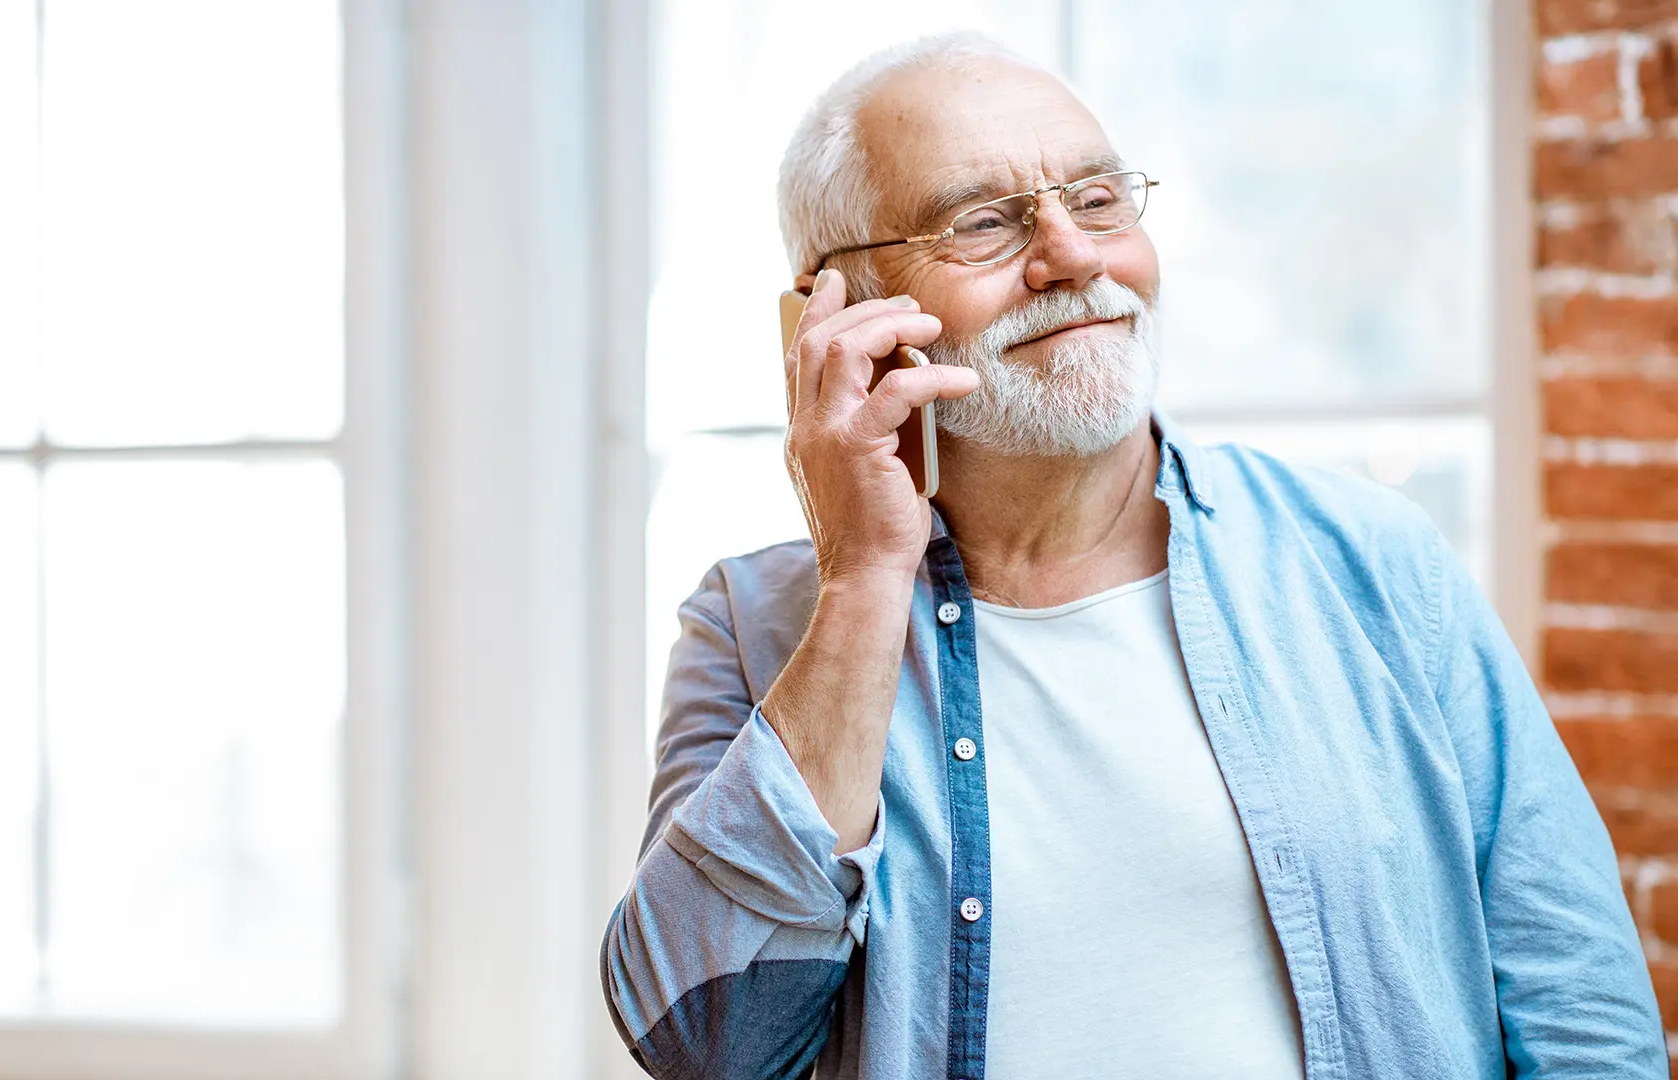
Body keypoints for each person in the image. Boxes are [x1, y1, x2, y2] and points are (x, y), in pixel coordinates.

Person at [600, 32, 1665, 1080]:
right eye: (982, 222)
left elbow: (1579, 1005)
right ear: (835, 311)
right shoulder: (754, 627)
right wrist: (867, 577)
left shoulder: (1374, 562)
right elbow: (710, 1046)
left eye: (1099, 200)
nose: (1072, 256)